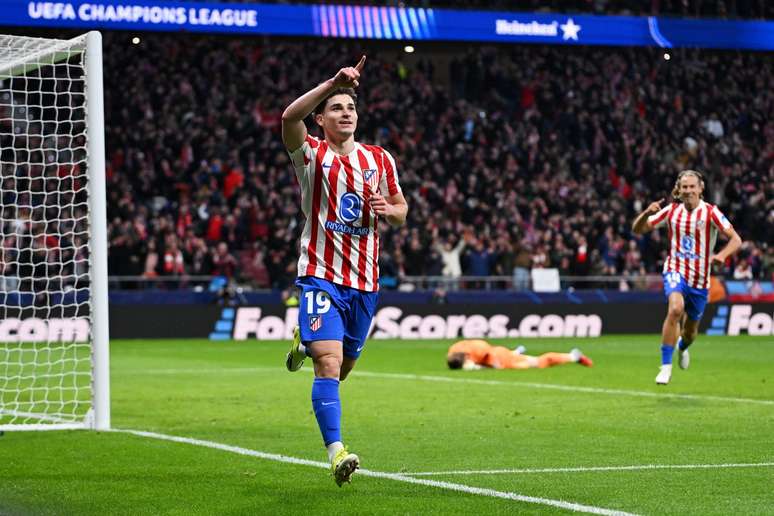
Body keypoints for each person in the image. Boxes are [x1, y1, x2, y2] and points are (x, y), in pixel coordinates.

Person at [281, 56, 408, 486]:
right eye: (336, 108)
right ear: (320, 119)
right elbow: (288, 116)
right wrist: (332, 82)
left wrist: (388, 210)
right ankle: (337, 453)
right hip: (321, 275)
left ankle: (304, 342)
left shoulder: (380, 159)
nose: (346, 113)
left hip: (365, 284)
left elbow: (401, 211)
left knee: (344, 367)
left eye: (350, 107)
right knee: (329, 365)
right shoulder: (311, 154)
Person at [632, 170, 742, 385]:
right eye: (685, 187)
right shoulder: (671, 211)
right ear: (679, 190)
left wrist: (721, 255)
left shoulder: (711, 213)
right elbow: (638, 230)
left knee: (690, 332)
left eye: (693, 187)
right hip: (675, 270)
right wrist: (646, 212)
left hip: (700, 281)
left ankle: (682, 346)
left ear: (701, 189)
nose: (689, 191)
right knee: (674, 309)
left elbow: (736, 240)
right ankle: (665, 366)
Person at [446, 339, 593, 370]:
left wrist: (495, 366)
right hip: (502, 352)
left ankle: (573, 356)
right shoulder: (453, 349)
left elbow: (492, 359)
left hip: (504, 358)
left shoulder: (479, 349)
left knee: (539, 363)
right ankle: (516, 351)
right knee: (536, 362)